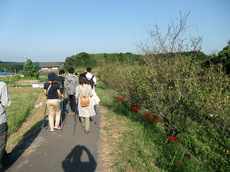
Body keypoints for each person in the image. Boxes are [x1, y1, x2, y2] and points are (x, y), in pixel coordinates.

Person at [0, 81, 11, 168]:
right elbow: (6, 103)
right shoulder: (2, 85)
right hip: (0, 120)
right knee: (1, 143)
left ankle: (5, 158)